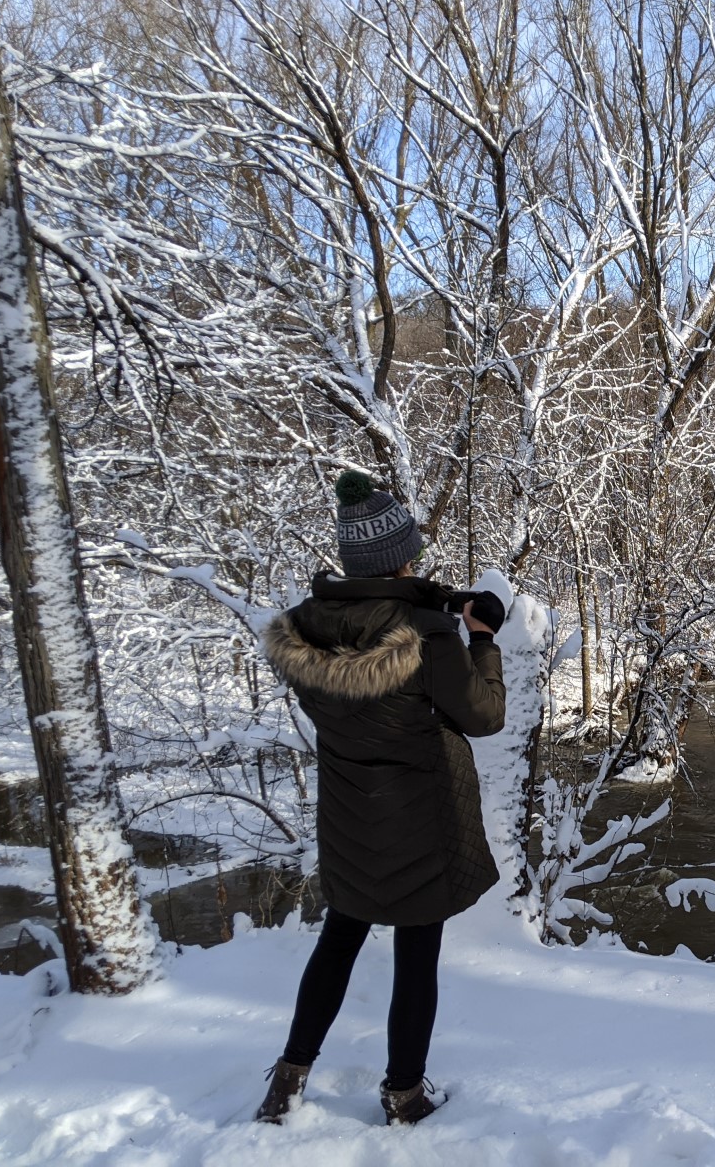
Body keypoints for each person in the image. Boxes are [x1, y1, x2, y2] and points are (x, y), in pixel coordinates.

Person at [253, 470, 507, 1126]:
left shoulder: (306, 630)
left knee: (338, 942)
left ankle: (287, 1082)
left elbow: (375, 613)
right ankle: (404, 1094)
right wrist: (479, 638)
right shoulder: (428, 639)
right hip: (422, 821)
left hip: (349, 817)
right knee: (416, 956)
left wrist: (439, 604)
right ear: (400, 558)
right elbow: (482, 715)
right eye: (412, 551)